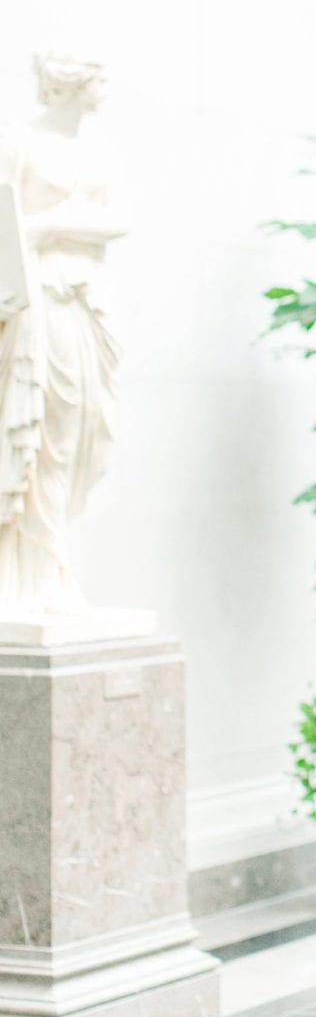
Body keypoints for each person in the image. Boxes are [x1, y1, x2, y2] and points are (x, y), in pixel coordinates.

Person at [0, 53, 124, 614]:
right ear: (73, 83)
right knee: (46, 432)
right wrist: (49, 230)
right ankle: (33, 574)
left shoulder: (95, 151)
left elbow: (120, 220)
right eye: (99, 75)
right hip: (40, 302)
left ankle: (53, 566)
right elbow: (10, 225)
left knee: (85, 429)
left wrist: (53, 225)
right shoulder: (21, 143)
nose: (106, 85)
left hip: (85, 300)